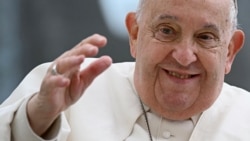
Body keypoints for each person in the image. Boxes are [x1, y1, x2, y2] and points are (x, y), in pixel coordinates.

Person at [0, 0, 249, 140]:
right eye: (166, 31)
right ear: (135, 33)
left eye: (205, 37)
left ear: (229, 51)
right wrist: (37, 119)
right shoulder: (69, 88)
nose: (184, 57)